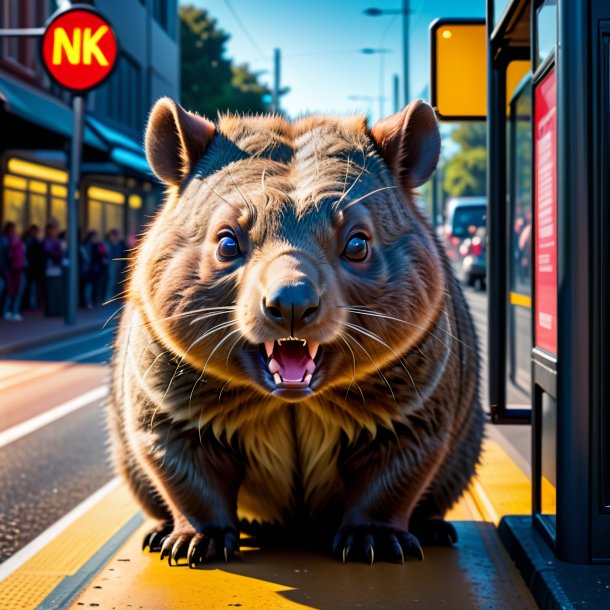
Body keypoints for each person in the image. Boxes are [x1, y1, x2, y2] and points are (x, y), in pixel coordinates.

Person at [3, 222, 26, 321]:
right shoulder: (6, 241)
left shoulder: (15, 240)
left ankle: (14, 311)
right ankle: (8, 311)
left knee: (17, 290)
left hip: (18, 268)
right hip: (11, 269)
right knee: (11, 291)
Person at [43, 221, 65, 316]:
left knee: (57, 291)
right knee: (51, 291)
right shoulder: (47, 241)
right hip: (50, 269)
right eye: (53, 229)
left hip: (57, 268)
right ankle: (51, 311)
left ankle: (56, 310)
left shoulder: (56, 241)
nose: (55, 231)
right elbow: (47, 253)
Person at [23, 224, 44, 309]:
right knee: (30, 286)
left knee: (33, 286)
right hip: (30, 268)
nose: (36, 233)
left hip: (34, 268)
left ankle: (32, 302)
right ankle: (31, 303)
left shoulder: (34, 241)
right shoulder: (28, 241)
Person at [104, 228, 126, 301]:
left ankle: (116, 296)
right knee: (111, 280)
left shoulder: (121, 243)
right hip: (111, 263)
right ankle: (109, 296)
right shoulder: (107, 244)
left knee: (118, 280)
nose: (113, 237)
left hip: (119, 263)